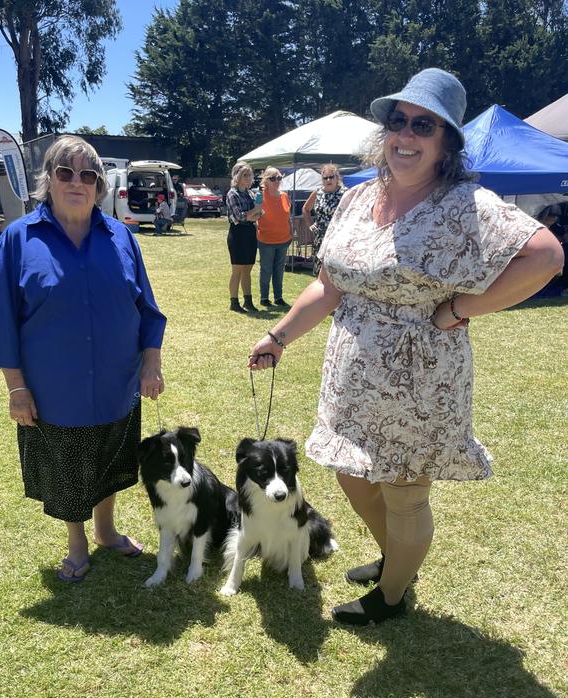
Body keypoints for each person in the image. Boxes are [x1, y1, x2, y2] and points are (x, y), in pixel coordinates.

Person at [248, 68, 563, 626]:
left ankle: (392, 596)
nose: (406, 135)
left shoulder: (466, 204)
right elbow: (329, 284)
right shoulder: (358, 196)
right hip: (350, 370)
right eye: (398, 122)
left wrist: (461, 308)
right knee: (351, 471)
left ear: (446, 143)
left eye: (424, 125)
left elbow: (545, 256)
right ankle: (399, 560)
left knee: (404, 489)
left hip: (419, 378)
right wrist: (278, 336)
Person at [0, 135, 166, 583]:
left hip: (118, 381)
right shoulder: (19, 239)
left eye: (88, 175)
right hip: (54, 388)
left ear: (98, 185)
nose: (76, 182)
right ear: (50, 180)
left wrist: (151, 361)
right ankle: (77, 542)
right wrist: (16, 388)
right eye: (65, 173)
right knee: (70, 468)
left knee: (110, 457)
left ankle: (106, 531)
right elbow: (1, 320)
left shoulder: (121, 236)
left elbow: (146, 308)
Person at [226, 161, 263, 313]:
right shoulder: (232, 194)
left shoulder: (249, 193)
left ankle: (248, 301)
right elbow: (238, 217)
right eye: (245, 175)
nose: (248, 178)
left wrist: (254, 214)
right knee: (237, 269)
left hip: (249, 233)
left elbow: (258, 215)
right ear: (237, 176)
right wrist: (253, 212)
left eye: (250, 175)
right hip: (237, 234)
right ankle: (234, 303)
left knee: (248, 268)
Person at [256, 166, 292, 308]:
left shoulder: (284, 196)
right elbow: (255, 214)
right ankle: (264, 298)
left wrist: (291, 233)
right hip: (266, 239)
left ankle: (278, 297)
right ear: (266, 180)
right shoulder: (260, 195)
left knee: (279, 270)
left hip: (283, 239)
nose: (276, 181)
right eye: (272, 178)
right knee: (266, 270)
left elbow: (287, 217)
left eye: (279, 178)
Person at [301, 164, 346, 274]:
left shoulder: (345, 193)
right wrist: (310, 225)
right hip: (320, 239)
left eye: (331, 177)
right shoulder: (317, 193)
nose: (328, 180)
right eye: (325, 178)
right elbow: (305, 209)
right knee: (320, 272)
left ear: (337, 178)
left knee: (336, 272)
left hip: (338, 239)